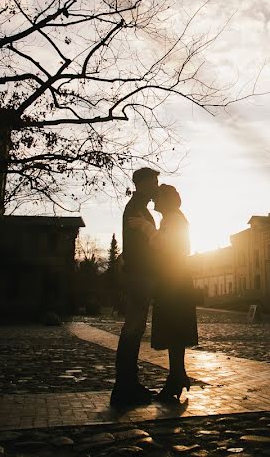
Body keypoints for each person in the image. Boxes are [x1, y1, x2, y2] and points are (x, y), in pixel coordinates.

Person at [132, 183, 198, 402]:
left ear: (167, 199)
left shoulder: (174, 218)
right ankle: (178, 377)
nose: (154, 201)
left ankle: (176, 379)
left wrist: (144, 227)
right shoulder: (172, 217)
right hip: (174, 280)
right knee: (174, 332)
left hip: (174, 281)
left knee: (174, 330)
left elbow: (167, 245)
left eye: (158, 197)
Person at [110, 167, 160, 407]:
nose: (156, 187)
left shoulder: (140, 208)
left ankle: (129, 383)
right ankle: (124, 386)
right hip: (139, 276)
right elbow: (138, 249)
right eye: (154, 182)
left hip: (140, 275)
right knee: (132, 329)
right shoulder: (136, 209)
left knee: (135, 329)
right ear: (141, 184)